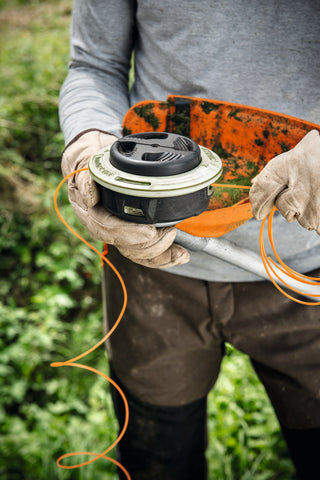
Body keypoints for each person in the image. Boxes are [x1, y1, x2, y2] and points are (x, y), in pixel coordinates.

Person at [59, 1, 320, 479]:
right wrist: (87, 153)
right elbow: (94, 66)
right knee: (158, 458)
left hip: (307, 269)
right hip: (150, 258)